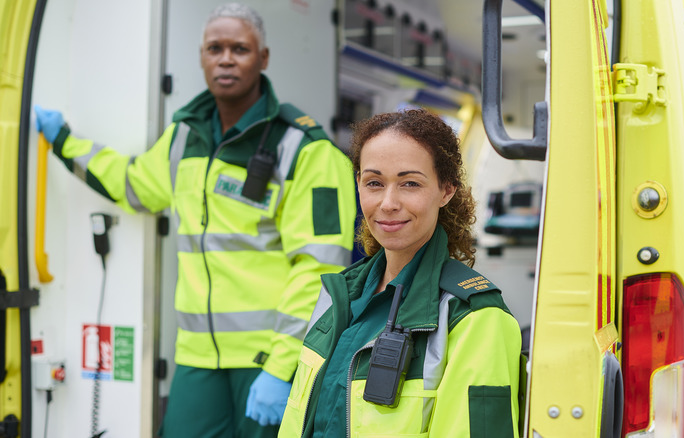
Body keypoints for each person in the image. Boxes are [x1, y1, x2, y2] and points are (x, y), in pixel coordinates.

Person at [34, 3, 356, 437]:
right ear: (201, 57)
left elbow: (319, 269)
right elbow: (134, 184)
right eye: (214, 48)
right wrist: (65, 141)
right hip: (197, 358)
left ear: (263, 59)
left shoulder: (306, 149)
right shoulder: (187, 136)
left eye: (239, 49)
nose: (225, 58)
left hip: (267, 359)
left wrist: (283, 366)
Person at [278, 108, 523, 437]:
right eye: (374, 183)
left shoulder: (474, 318)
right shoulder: (338, 295)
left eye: (410, 183)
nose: (388, 202)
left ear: (446, 190)